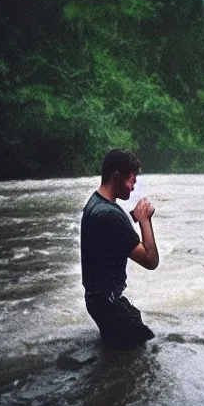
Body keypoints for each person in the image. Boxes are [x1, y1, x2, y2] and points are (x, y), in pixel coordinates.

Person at [80, 148, 159, 349]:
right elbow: (150, 260)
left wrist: (131, 219)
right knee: (147, 348)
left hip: (97, 301)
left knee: (120, 356)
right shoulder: (111, 215)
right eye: (131, 180)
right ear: (116, 176)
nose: (133, 187)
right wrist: (144, 220)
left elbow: (109, 237)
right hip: (109, 303)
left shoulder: (95, 203)